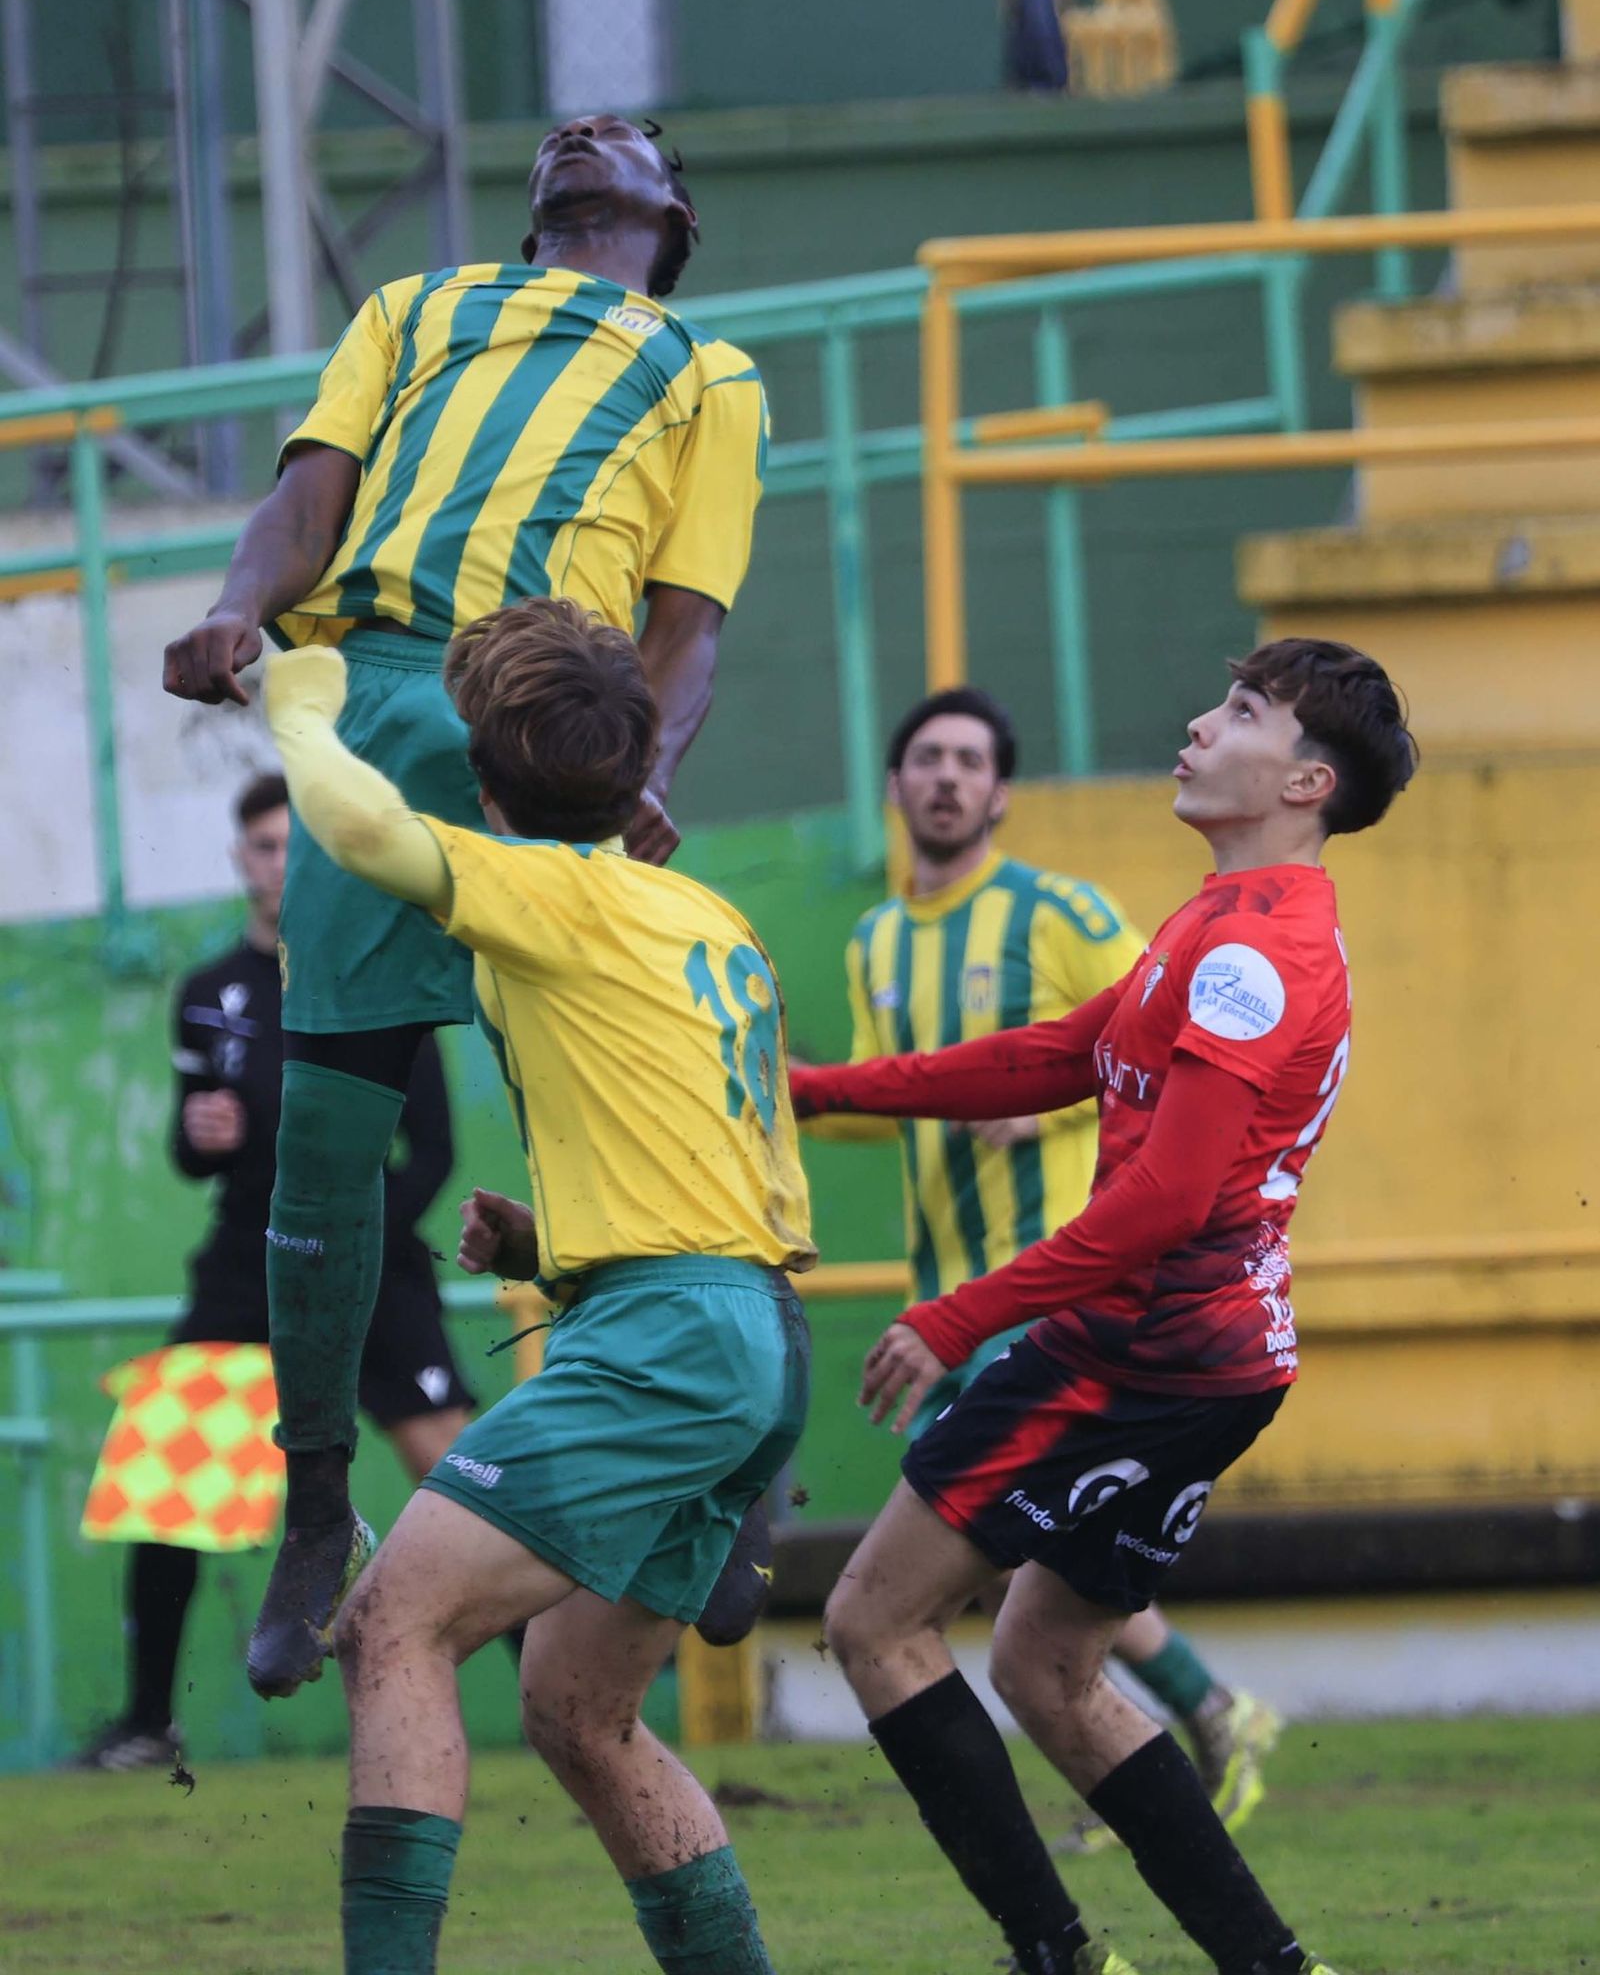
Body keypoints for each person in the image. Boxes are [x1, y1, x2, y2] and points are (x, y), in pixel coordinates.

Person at [161, 114, 772, 1697]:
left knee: (638, 1109)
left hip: (550, 710)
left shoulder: (707, 371)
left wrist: (646, 762)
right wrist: (236, 605)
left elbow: (689, 622)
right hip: (376, 686)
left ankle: (720, 1474)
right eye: (575, 133)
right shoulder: (414, 307)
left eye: (629, 135)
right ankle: (316, 1507)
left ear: (671, 213)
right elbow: (308, 505)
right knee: (323, 1131)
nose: (585, 130)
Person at [791, 640, 1418, 1975]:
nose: (1198, 724)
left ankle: (1056, 1957)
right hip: (1203, 1356)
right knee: (1043, 1670)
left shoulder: (1257, 950)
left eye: (1240, 712)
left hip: (1140, 1352)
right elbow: (1056, 1056)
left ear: (1305, 782)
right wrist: (820, 1090)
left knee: (874, 1622)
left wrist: (959, 1316)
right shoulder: (1220, 916)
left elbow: (1166, 1202)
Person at [261, 596, 813, 1975]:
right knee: (578, 1713)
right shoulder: (708, 916)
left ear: (481, 777)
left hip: (660, 1341)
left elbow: (362, 831)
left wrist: (302, 706)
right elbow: (735, 1165)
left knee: (390, 1625)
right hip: (750, 1327)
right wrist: (552, 1251)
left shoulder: (545, 889)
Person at [808, 685, 1280, 1849]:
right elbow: (897, 1097)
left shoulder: (1059, 912)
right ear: (894, 785)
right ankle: (1184, 1727)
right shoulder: (875, 940)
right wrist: (794, 1097)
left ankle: (1187, 1723)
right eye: (927, 758)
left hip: (1056, 1289)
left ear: (1001, 794)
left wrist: (1047, 1113)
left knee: (968, 1561)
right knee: (992, 1565)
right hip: (951, 1284)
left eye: (970, 761)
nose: (947, 778)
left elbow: (1152, 1058)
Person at [75, 773, 473, 1771]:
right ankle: (146, 1722)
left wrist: (353, 1238)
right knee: (168, 1479)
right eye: (263, 846)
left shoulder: (377, 978)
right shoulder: (208, 993)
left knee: (461, 1471)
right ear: (240, 860)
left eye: (298, 846)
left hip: (370, 1261)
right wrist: (199, 1134)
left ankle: (559, 1687)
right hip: (244, 1268)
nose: (280, 865)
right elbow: (192, 1148)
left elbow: (431, 1151)